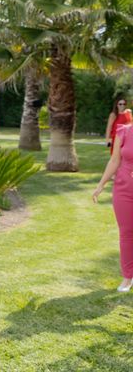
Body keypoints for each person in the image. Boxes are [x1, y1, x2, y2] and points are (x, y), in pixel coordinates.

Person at [92, 121, 133, 292]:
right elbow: (115, 160)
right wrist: (101, 184)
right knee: (126, 234)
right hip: (124, 189)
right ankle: (128, 277)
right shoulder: (124, 131)